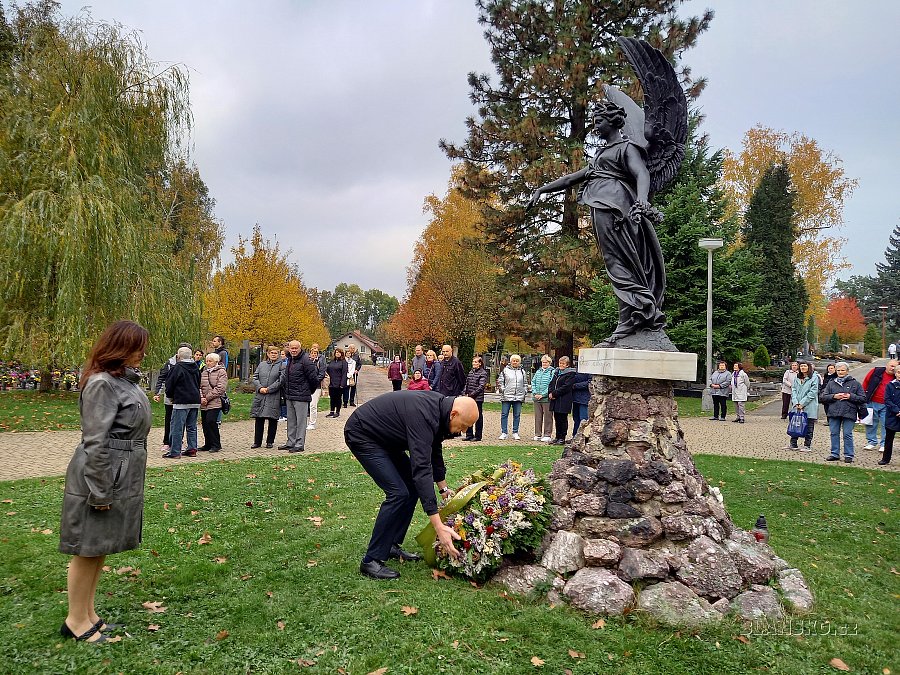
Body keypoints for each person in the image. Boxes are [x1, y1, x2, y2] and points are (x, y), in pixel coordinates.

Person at [526, 101, 667, 345]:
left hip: (617, 208)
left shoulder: (627, 148)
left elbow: (642, 174)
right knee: (615, 264)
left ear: (612, 121)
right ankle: (630, 319)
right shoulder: (601, 154)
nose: (594, 126)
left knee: (621, 263)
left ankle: (635, 316)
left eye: (598, 121)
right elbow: (572, 177)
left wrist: (642, 201)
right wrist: (542, 189)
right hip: (602, 207)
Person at [59, 320, 151, 643]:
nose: (142, 353)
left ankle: (88, 614)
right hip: (101, 474)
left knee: (98, 548)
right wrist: (100, 490)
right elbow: (95, 442)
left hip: (119, 474)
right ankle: (75, 621)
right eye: (136, 347)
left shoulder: (124, 382)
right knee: (86, 549)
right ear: (118, 348)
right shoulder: (101, 384)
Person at [344, 391, 479, 579]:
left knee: (411, 489)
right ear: (454, 414)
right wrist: (439, 526)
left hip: (386, 441)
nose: (462, 432)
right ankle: (371, 561)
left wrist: (443, 488)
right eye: (463, 426)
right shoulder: (424, 415)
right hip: (363, 435)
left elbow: (434, 452)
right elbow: (421, 469)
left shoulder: (440, 411)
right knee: (398, 493)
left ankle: (390, 545)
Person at [819, 361, 865, 463]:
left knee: (847, 434)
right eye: (838, 370)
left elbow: (863, 398)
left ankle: (849, 455)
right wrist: (834, 396)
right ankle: (834, 453)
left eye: (842, 370)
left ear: (847, 371)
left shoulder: (855, 383)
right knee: (834, 433)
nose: (840, 372)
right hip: (834, 411)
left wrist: (850, 396)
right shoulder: (831, 383)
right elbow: (822, 397)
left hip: (849, 411)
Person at [278, 340, 320, 452]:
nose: (294, 350)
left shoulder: (306, 361)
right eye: (292, 348)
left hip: (301, 396)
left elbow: (314, 379)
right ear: (289, 349)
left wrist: (307, 391)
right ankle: (290, 442)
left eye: (296, 348)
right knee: (291, 420)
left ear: (300, 348)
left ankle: (299, 444)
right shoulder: (290, 359)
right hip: (290, 395)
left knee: (301, 422)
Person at [151, 342, 192, 455]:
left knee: (181, 420)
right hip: (170, 397)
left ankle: (179, 441)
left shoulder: (191, 364)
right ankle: (167, 441)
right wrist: (157, 393)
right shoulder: (170, 364)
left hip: (183, 397)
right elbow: (162, 378)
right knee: (169, 419)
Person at [163, 347, 201, 458]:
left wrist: (170, 396)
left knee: (177, 427)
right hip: (194, 399)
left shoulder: (177, 368)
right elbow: (198, 382)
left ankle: (175, 451)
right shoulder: (196, 367)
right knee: (192, 426)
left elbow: (170, 384)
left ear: (179, 356)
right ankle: (192, 448)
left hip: (181, 400)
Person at [250, 346, 283, 449]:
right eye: (271, 352)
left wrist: (269, 389)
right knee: (259, 418)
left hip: (273, 395)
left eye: (276, 353)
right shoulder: (262, 364)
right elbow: (255, 377)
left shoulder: (282, 365)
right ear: (268, 354)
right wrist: (260, 388)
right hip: (260, 395)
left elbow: (280, 380)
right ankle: (257, 442)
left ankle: (270, 441)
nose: (273, 354)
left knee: (272, 419)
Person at [862, 360, 897, 451]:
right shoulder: (876, 371)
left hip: (887, 404)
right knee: (870, 423)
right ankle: (871, 441)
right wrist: (863, 396)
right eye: (891, 366)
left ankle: (883, 444)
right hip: (871, 401)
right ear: (887, 365)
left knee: (885, 424)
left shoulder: (896, 376)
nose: (892, 368)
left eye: (894, 367)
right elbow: (866, 382)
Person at [786, 361, 819, 452]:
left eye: (805, 366)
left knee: (808, 426)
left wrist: (803, 403)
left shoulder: (814, 378)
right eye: (801, 366)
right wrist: (796, 402)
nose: (803, 368)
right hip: (797, 406)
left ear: (809, 367)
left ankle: (807, 445)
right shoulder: (797, 377)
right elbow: (794, 390)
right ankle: (793, 444)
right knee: (795, 423)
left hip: (809, 405)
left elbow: (813, 392)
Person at [199, 352, 227, 453]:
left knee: (211, 421)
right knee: (205, 423)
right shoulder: (204, 372)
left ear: (216, 362)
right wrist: (201, 398)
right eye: (206, 361)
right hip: (204, 402)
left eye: (210, 361)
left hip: (215, 401)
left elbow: (221, 388)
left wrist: (207, 398)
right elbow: (199, 386)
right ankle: (208, 444)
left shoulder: (221, 372)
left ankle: (216, 444)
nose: (208, 363)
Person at [497, 354, 527, 440]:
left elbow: (525, 383)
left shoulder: (522, 371)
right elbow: (500, 381)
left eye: (517, 361)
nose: (515, 362)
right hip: (507, 396)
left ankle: (515, 432)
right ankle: (504, 432)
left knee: (517, 415)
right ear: (510, 361)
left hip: (518, 396)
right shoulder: (505, 370)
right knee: (504, 414)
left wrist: (524, 391)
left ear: (519, 362)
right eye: (513, 360)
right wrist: (503, 390)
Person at [548, 356, 576, 445]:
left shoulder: (570, 374)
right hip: (555, 400)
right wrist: (550, 392)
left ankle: (562, 437)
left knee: (563, 419)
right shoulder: (556, 372)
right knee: (557, 419)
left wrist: (555, 393)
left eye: (563, 363)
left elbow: (566, 387)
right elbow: (552, 383)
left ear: (567, 365)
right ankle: (557, 436)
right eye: (560, 363)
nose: (561, 365)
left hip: (564, 399)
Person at [462, 355, 488, 441]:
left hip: (477, 398)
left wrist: (472, 394)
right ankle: (469, 434)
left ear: (480, 363)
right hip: (469, 397)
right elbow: (467, 383)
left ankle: (478, 436)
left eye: (476, 362)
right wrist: (464, 392)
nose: (474, 363)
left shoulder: (483, 373)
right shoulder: (471, 372)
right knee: (468, 416)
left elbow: (481, 387)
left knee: (478, 417)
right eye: (473, 362)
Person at [531, 355, 555, 442]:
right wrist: (535, 393)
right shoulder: (538, 371)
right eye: (543, 362)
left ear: (549, 363)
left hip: (546, 398)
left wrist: (543, 394)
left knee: (548, 417)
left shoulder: (552, 372)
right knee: (538, 417)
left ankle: (547, 434)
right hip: (536, 398)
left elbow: (551, 384)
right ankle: (538, 434)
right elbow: (533, 382)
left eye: (546, 362)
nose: (544, 364)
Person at [879, 366, 899, 466]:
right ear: (895, 373)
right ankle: (886, 459)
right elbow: (887, 400)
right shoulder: (890, 385)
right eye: (898, 372)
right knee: (888, 439)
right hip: (892, 415)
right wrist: (897, 410)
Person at [325, 348, 349, 418]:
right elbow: (328, 370)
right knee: (332, 397)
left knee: (338, 398)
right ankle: (331, 411)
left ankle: (337, 411)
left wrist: (342, 384)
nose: (337, 354)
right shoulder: (332, 362)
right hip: (331, 382)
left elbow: (344, 373)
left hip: (339, 383)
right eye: (336, 352)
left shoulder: (344, 362)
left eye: (339, 352)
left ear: (341, 354)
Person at [308, 344, 327, 430]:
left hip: (316, 386)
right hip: (306, 386)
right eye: (312, 353)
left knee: (313, 405)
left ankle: (312, 423)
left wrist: (315, 381)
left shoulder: (320, 362)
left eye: (315, 353)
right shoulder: (306, 362)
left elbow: (322, 373)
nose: (313, 354)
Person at [572, 371, 591, 437]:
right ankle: (575, 436)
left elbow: (590, 382)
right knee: (576, 419)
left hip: (584, 399)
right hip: (575, 398)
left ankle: (582, 437)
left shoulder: (589, 370)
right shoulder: (577, 370)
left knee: (583, 419)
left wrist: (575, 385)